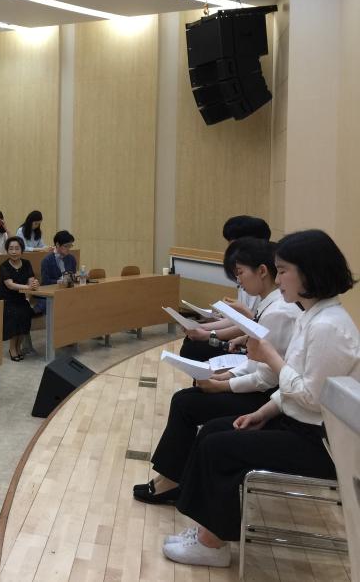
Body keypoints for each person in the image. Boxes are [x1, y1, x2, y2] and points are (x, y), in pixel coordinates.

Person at [161, 229, 359, 568]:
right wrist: (264, 412)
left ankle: (212, 545)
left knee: (219, 447)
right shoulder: (313, 317)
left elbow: (310, 397)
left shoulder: (328, 326)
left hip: (320, 443)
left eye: (283, 271)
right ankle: (207, 532)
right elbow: (295, 387)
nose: (278, 279)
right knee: (213, 433)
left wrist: (270, 356)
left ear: (310, 272)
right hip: (297, 423)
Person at [134, 238, 300, 506]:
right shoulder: (270, 305)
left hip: (265, 397)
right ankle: (172, 477)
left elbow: (266, 377)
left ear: (262, 271)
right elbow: (256, 362)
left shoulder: (280, 311)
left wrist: (222, 385)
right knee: (187, 397)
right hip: (263, 389)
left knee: (186, 403)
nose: (239, 281)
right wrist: (224, 376)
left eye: (240, 273)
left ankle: (172, 481)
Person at [0, 236, 39, 362]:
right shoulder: (3, 266)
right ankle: (12, 348)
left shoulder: (26, 263)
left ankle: (18, 346)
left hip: (20, 298)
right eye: (11, 249)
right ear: (7, 250)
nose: (14, 252)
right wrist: (28, 287)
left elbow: (31, 280)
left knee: (26, 314)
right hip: (6, 299)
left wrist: (34, 284)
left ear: (22, 250)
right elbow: (10, 285)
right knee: (15, 315)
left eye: (17, 248)